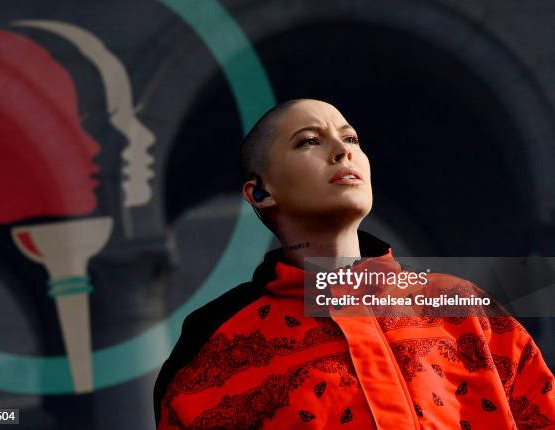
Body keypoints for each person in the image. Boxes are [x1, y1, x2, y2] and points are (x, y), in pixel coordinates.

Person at [153, 98, 554, 429]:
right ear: (260, 193)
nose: (343, 150)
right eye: (309, 141)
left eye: (352, 138)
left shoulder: (461, 307)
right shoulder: (218, 349)